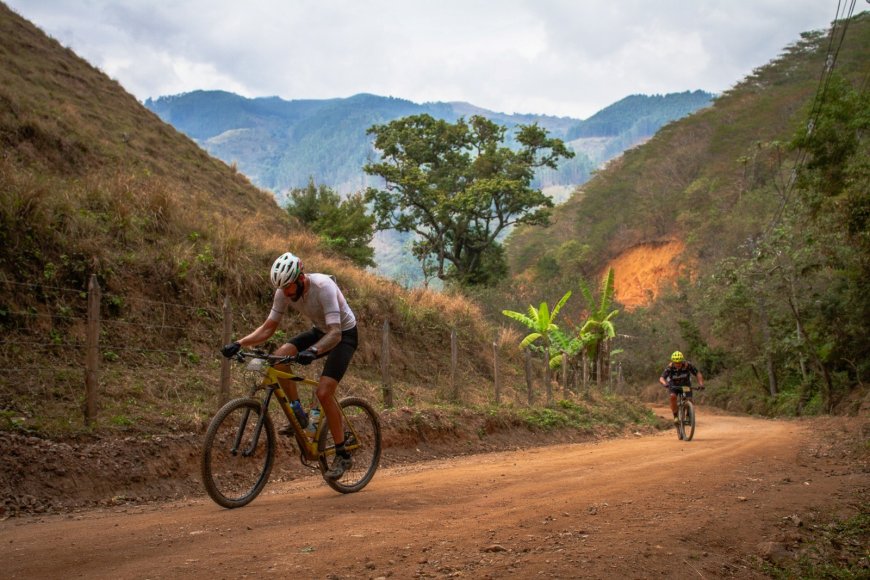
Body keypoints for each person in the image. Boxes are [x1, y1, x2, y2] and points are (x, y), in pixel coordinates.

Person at [220, 252, 358, 480]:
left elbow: (335, 333)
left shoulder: (324, 286)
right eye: (282, 289)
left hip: (343, 335)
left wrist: (312, 351)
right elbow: (268, 328)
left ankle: (342, 453)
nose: (285, 294)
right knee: (280, 358)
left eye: (289, 288)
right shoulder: (283, 291)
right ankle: (299, 415)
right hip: (320, 330)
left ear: (301, 278)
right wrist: (239, 343)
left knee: (323, 393)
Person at [659, 351, 705, 424]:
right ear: (673, 362)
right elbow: (661, 378)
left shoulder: (688, 365)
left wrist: (701, 384)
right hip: (674, 385)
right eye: (676, 363)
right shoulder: (670, 367)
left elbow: (698, 373)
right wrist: (665, 384)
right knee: (673, 397)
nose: (678, 364)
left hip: (685, 385)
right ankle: (676, 417)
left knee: (689, 399)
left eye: (680, 362)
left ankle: (688, 415)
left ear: (682, 361)